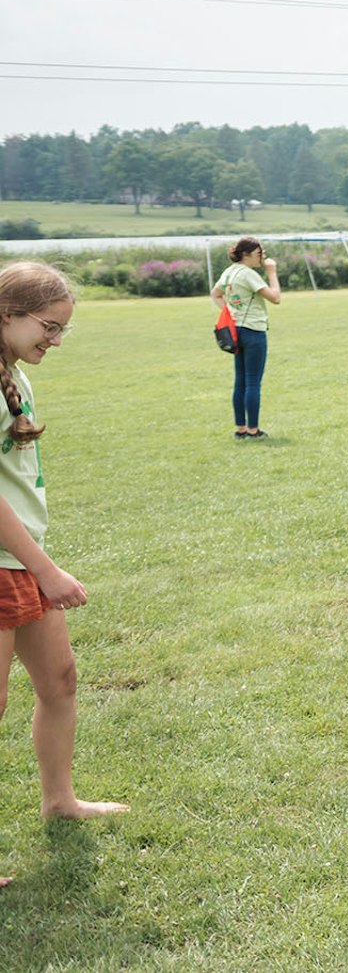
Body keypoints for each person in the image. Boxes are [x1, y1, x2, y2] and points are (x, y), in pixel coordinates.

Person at [0, 262, 129, 860]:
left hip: (18, 559)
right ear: (8, 314)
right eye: (47, 328)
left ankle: (60, 800)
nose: (54, 340)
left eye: (62, 331)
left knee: (59, 681)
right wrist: (46, 570)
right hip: (8, 562)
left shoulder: (15, 374)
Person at [210, 237, 282, 439]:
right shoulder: (248, 274)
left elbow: (215, 294)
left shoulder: (229, 271)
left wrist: (231, 312)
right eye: (259, 254)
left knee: (240, 381)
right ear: (246, 254)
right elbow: (275, 297)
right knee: (252, 383)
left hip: (236, 331)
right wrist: (272, 273)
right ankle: (253, 430)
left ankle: (240, 429)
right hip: (253, 331)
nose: (262, 257)